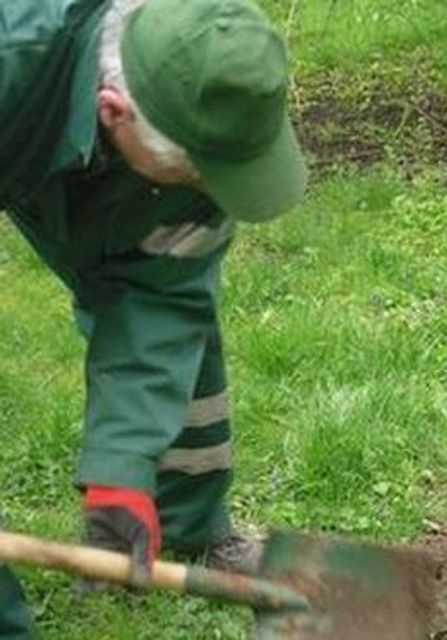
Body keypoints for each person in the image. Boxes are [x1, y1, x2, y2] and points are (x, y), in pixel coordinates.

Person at [0, 0, 307, 635]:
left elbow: (160, 302)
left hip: (88, 144)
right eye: (203, 171)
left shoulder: (199, 78)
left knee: (175, 312)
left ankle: (189, 520)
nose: (217, 194)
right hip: (25, 108)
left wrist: (121, 470)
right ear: (115, 112)